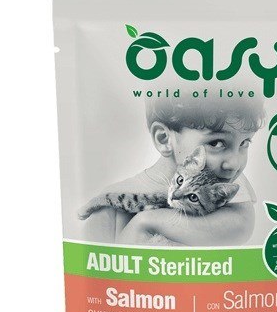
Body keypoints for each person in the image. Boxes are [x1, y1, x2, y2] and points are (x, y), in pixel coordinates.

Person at [82, 91, 265, 246]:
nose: (234, 163)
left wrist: (145, 222)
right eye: (216, 142)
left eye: (245, 142)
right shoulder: (107, 210)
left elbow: (243, 224)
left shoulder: (226, 182)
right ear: (164, 139)